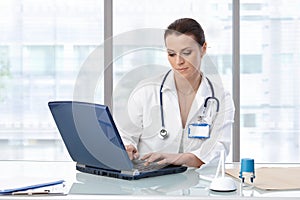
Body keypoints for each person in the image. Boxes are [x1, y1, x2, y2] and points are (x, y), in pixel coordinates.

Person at [119, 18, 235, 168]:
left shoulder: (221, 98)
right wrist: (127, 147)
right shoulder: (146, 91)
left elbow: (219, 149)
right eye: (172, 54)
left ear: (203, 49)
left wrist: (179, 159)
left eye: (186, 53)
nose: (178, 61)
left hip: (198, 185)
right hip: (149, 186)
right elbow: (125, 136)